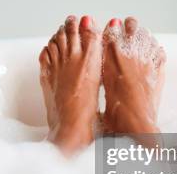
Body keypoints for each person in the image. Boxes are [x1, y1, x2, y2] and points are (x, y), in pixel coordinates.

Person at [39, 15, 166, 155]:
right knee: (148, 148)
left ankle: (71, 130)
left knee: (66, 149)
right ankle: (139, 125)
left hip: (57, 173)